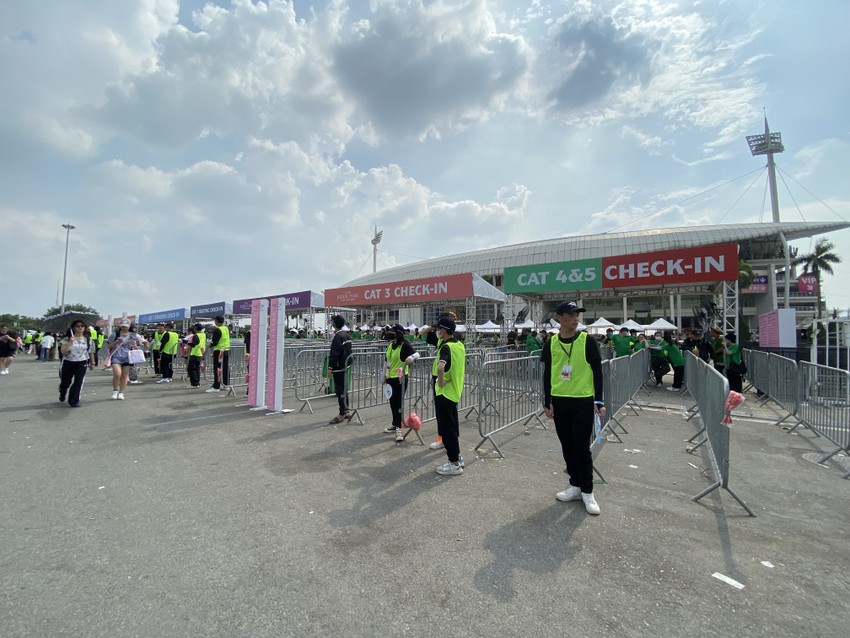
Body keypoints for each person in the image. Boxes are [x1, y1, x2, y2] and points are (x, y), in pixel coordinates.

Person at [541, 301, 605, 515]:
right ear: (558, 317)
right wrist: (546, 400)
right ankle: (575, 485)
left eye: (577, 314)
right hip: (560, 400)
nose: (575, 318)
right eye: (570, 314)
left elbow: (597, 371)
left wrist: (599, 400)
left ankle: (587, 490)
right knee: (567, 445)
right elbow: (548, 373)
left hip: (582, 400)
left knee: (581, 446)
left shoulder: (587, 340)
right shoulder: (550, 343)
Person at [433, 316, 466, 475]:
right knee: (452, 428)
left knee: (447, 430)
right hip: (455, 392)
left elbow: (441, 367)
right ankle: (457, 458)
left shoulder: (446, 347)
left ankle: (453, 463)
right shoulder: (459, 345)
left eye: (439, 329)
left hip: (445, 393)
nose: (437, 332)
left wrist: (440, 383)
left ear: (444, 331)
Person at [420, 311, 458, 450]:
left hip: (445, 380)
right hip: (446, 379)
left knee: (444, 413)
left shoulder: (450, 341)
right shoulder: (443, 340)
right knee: (448, 413)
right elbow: (424, 333)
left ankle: (444, 439)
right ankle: (447, 438)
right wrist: (436, 325)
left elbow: (441, 366)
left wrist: (446, 322)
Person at [382, 324, 420, 441]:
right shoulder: (390, 345)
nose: (390, 333)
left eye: (393, 332)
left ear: (398, 333)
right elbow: (386, 362)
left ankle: (398, 427)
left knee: (398, 403)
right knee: (392, 402)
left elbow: (417, 354)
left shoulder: (404, 346)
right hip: (390, 379)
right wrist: (383, 376)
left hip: (400, 379)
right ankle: (395, 423)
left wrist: (411, 358)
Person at [58, 320, 95, 407]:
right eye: (77, 326)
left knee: (78, 381)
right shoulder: (66, 339)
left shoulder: (88, 339)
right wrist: (70, 342)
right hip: (69, 362)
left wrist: (92, 362)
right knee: (66, 381)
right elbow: (63, 351)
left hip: (82, 362)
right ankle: (62, 392)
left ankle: (73, 401)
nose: (80, 328)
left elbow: (91, 351)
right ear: (73, 328)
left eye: (82, 326)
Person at [106, 320, 144, 399]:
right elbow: (109, 346)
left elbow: (137, 348)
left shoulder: (133, 336)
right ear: (120, 326)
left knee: (125, 375)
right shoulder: (115, 334)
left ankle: (121, 393)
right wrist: (116, 342)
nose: (124, 328)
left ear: (129, 327)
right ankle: (115, 390)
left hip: (127, 357)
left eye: (126, 327)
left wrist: (134, 345)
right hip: (116, 357)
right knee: (117, 374)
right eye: (123, 326)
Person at [327, 315, 353, 423]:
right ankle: (346, 409)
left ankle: (342, 414)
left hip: (339, 366)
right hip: (345, 365)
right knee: (343, 388)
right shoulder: (346, 335)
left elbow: (335, 354)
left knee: (340, 390)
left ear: (335, 324)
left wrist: (330, 367)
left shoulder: (338, 337)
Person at [206, 316, 230, 393]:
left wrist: (210, 345)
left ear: (216, 321)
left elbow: (214, 342)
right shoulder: (226, 329)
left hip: (219, 351)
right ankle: (226, 384)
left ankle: (216, 386)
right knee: (225, 368)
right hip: (226, 350)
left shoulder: (217, 330)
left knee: (217, 369)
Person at [185, 323, 206, 388]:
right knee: (197, 369)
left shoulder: (196, 335)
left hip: (195, 354)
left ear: (196, 328)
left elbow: (194, 344)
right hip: (200, 353)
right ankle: (197, 383)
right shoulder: (203, 335)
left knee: (191, 369)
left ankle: (194, 383)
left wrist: (186, 343)